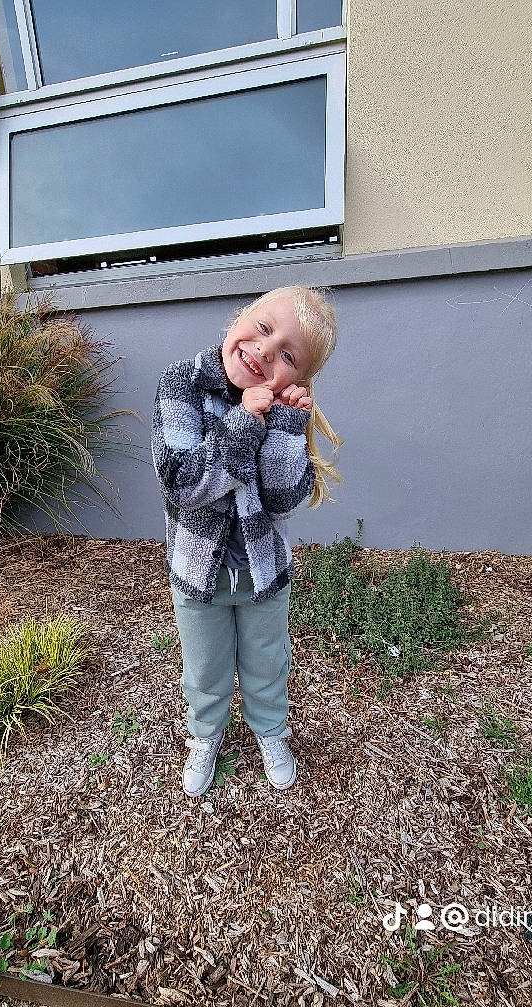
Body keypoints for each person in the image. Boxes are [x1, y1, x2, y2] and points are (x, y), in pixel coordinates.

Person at [151, 285, 342, 798]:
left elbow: (281, 499)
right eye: (263, 328)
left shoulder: (286, 410)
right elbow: (182, 484)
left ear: (299, 379)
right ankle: (205, 735)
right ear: (240, 317)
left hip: (264, 572)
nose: (264, 351)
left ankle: (270, 730)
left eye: (288, 356)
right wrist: (243, 423)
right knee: (205, 667)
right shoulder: (182, 383)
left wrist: (283, 430)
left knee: (267, 662)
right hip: (199, 573)